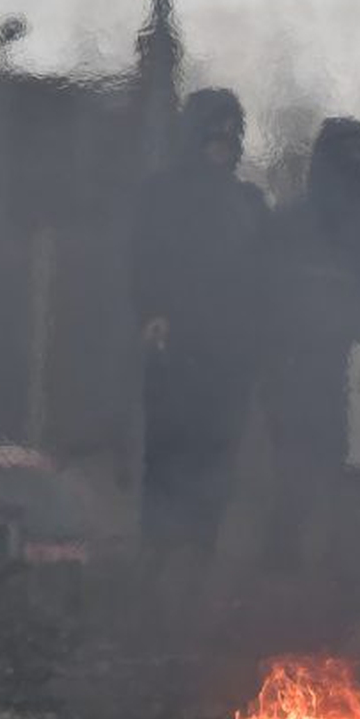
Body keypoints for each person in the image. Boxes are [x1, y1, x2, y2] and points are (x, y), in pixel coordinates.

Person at [133, 87, 271, 561]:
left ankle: (197, 560)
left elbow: (266, 278)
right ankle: (158, 563)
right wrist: (150, 313)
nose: (223, 142)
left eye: (232, 134)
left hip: (229, 361)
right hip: (174, 357)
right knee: (168, 465)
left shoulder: (249, 204)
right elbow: (139, 262)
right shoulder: (159, 196)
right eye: (215, 133)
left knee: (216, 469)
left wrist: (260, 345)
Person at [261, 117, 360, 566]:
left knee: (350, 493)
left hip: (356, 376)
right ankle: (281, 583)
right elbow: (264, 300)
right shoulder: (287, 227)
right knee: (294, 486)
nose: (352, 169)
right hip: (297, 373)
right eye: (344, 159)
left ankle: (343, 586)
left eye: (359, 159)